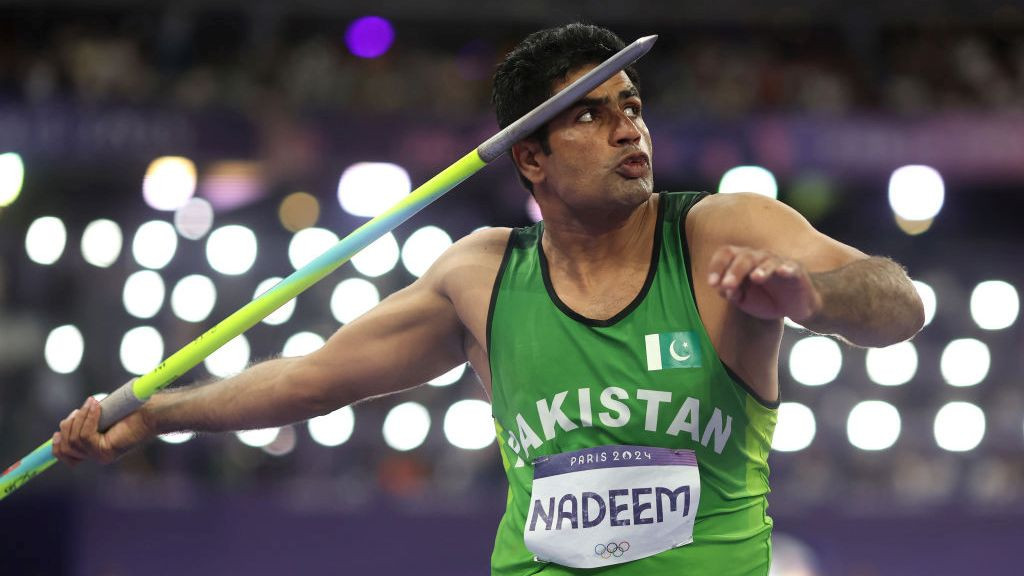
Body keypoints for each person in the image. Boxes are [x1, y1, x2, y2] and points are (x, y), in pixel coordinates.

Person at [52, 23, 924, 575]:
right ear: (530, 160)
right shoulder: (479, 274)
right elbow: (314, 379)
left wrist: (814, 295)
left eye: (633, 105)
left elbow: (899, 304)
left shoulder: (720, 231)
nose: (629, 127)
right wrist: (160, 414)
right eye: (591, 114)